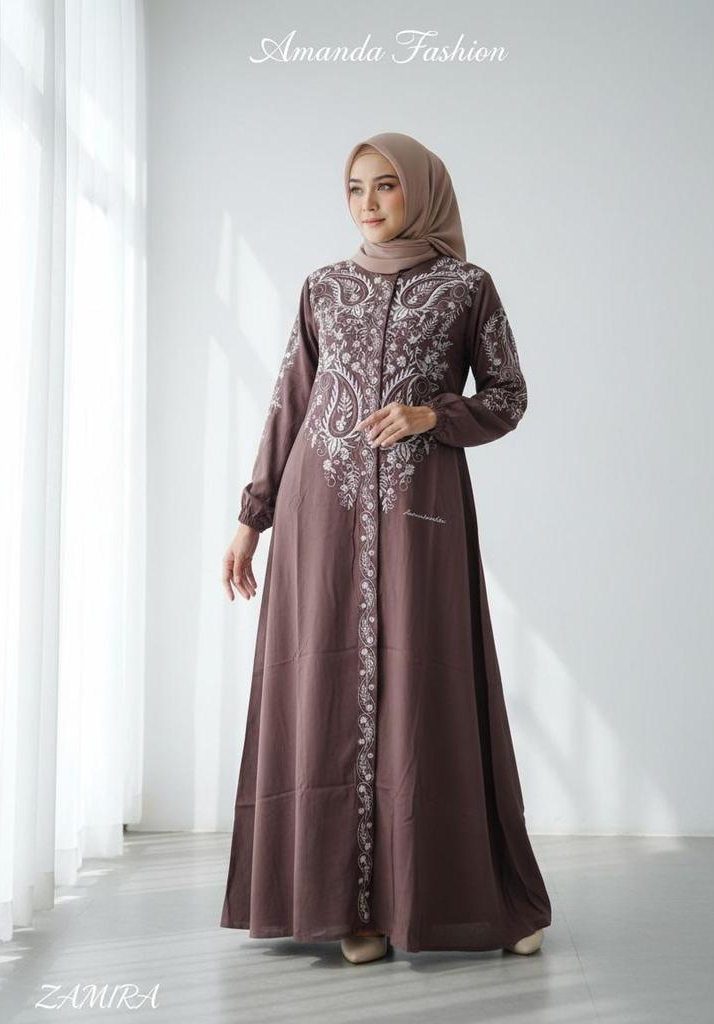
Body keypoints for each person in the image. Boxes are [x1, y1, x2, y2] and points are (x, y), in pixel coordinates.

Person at [220, 132, 551, 964]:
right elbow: (290, 403)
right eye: (355, 188)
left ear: (423, 191)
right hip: (319, 513)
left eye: (387, 186)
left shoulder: (465, 287)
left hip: (418, 510)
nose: (368, 203)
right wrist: (252, 518)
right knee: (325, 690)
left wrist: (433, 414)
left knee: (426, 689)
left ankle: (460, 899)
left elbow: (508, 395)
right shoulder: (323, 287)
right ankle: (346, 910)